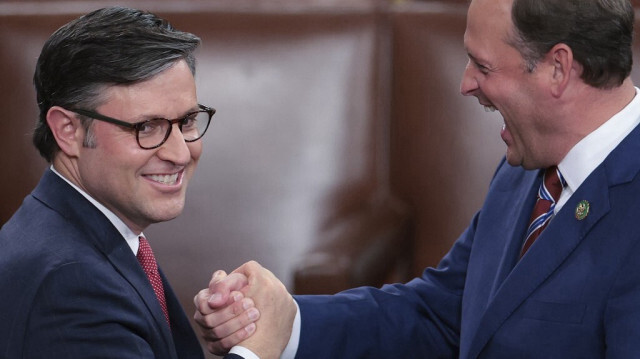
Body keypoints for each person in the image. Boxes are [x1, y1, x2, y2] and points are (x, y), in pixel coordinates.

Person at [194, 0, 640, 357]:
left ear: (558, 69)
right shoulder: (524, 170)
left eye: (483, 67)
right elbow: (442, 316)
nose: (466, 84)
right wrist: (283, 321)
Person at [0, 7, 252, 359]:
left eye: (188, 121)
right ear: (68, 131)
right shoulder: (68, 284)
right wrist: (258, 348)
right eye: (146, 127)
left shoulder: (85, 235)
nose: (180, 154)